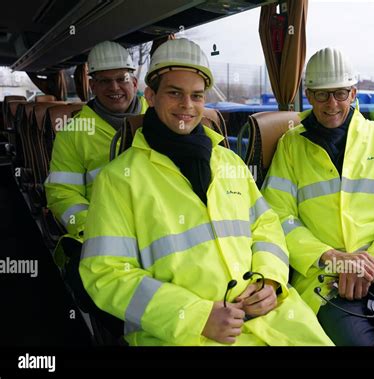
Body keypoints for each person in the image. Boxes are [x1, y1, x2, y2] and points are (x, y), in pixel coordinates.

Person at [79, 38, 334, 346]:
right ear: (151, 96)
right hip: (182, 335)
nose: (187, 105)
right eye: (175, 93)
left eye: (197, 96)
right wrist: (196, 316)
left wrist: (270, 280)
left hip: (275, 320)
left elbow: (266, 225)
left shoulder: (229, 162)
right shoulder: (118, 180)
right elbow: (105, 274)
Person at [261, 47, 374, 346]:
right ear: (309, 95)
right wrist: (330, 257)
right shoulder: (290, 147)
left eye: (340, 93)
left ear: (353, 92)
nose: (332, 103)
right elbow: (276, 216)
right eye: (322, 94)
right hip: (328, 274)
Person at [44, 41, 147, 318]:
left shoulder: (160, 116)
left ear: (134, 80)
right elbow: (62, 193)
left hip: (157, 230)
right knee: (108, 305)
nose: (114, 88)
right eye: (104, 81)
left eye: (121, 79)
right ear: (92, 86)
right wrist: (98, 232)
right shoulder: (74, 132)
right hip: (100, 236)